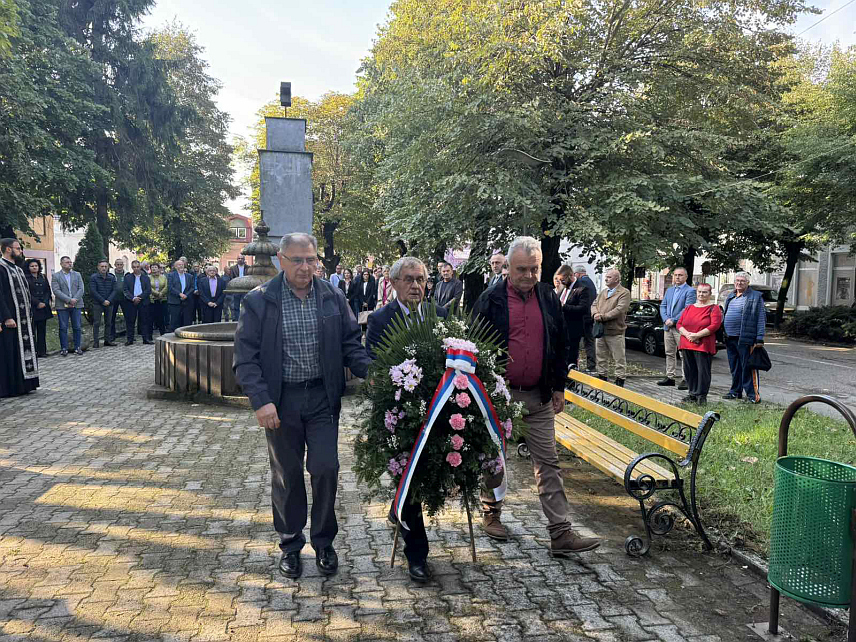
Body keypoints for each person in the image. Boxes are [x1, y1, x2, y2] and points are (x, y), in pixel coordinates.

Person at [233, 232, 371, 580]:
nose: (306, 267)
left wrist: (377, 373)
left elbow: (351, 344)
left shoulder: (332, 296)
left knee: (326, 468)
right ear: (281, 260)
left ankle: (324, 542)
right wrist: (261, 401)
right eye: (298, 260)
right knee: (288, 475)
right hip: (281, 403)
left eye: (311, 260)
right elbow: (245, 359)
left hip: (322, 398)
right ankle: (291, 544)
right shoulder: (259, 300)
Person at [472, 236, 600, 556]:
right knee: (494, 458)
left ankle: (560, 533)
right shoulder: (491, 299)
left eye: (535, 269)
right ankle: (491, 513)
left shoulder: (547, 296)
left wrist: (559, 386)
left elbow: (559, 342)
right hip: (501, 397)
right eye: (522, 270)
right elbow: (475, 347)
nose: (529, 276)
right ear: (508, 268)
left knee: (548, 463)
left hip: (539, 396)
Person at [366, 257, 448, 582]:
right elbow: (373, 365)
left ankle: (397, 510)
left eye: (421, 279)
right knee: (410, 478)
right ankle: (417, 555)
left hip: (436, 411)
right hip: (398, 415)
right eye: (409, 279)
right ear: (394, 283)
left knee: (422, 477)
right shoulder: (379, 319)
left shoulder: (438, 315)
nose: (416, 285)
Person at [1, 239, 39, 398]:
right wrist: (6, 317)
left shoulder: (18, 268)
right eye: (18, 248)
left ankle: (24, 384)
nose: (21, 251)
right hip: (10, 319)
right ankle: (10, 387)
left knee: (22, 351)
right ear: (8, 249)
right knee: (9, 352)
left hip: (23, 320)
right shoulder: (1, 268)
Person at [722, 272, 766, 403]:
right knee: (734, 367)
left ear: (747, 283)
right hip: (730, 338)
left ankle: (753, 396)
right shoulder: (731, 296)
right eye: (737, 280)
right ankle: (735, 391)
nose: (739, 283)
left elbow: (761, 318)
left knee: (748, 367)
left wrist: (759, 338)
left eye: (742, 281)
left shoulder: (755, 297)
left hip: (746, 338)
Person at [676, 283, 722, 404]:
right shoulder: (689, 308)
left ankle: (701, 396)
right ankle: (692, 394)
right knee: (689, 370)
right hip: (687, 343)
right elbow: (679, 324)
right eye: (699, 292)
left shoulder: (714, 308)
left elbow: (714, 325)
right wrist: (688, 335)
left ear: (710, 294)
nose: (701, 294)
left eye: (704, 292)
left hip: (703, 344)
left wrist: (697, 335)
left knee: (703, 371)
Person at [590, 268, 630, 387]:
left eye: (609, 277)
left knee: (618, 357)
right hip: (601, 330)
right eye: (606, 277)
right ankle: (602, 376)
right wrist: (595, 314)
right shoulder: (603, 292)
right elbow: (594, 304)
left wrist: (603, 316)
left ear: (617, 279)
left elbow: (620, 309)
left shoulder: (624, 292)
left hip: (615, 331)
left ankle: (620, 379)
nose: (606, 279)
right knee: (601, 356)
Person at [658, 267, 696, 389]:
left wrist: (673, 320)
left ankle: (686, 378)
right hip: (667, 327)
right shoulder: (669, 290)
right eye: (675, 275)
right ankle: (670, 377)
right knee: (669, 353)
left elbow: (687, 308)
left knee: (683, 354)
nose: (677, 277)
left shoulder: (690, 291)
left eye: (680, 275)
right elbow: (663, 306)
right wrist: (666, 319)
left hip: (681, 328)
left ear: (686, 277)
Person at [51, 255, 85, 356]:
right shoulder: (56, 276)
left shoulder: (77, 274)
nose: (70, 264)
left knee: (77, 326)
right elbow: (56, 290)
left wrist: (75, 300)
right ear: (61, 264)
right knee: (63, 327)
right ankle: (64, 348)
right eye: (67, 262)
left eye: (70, 262)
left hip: (76, 304)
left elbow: (81, 288)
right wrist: (69, 300)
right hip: (62, 305)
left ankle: (77, 347)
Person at [563, 267, 593, 370]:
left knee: (573, 353)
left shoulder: (582, 287)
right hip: (566, 326)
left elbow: (583, 307)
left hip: (576, 325)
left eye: (563, 279)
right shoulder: (567, 288)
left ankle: (572, 377)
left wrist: (564, 306)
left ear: (573, 275)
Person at [24, 259, 52, 357]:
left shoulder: (43, 277)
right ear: (28, 267)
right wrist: (37, 303)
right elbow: (26, 293)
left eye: (36, 265)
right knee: (32, 331)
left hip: (43, 308)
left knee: (42, 331)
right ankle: (34, 351)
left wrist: (44, 302)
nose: (34, 267)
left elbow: (47, 291)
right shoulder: (25, 278)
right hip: (33, 307)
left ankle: (42, 351)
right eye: (32, 266)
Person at [573, 265, 598, 372]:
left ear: (578, 274)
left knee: (575, 341)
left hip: (581, 316)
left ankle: (574, 364)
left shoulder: (581, 283)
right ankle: (591, 366)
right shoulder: (591, 283)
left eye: (575, 275)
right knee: (589, 341)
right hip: (590, 316)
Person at [89, 259, 118, 349]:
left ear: (108, 267)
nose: (104, 268)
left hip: (109, 303)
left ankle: (107, 340)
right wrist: (103, 301)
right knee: (97, 322)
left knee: (108, 322)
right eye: (102, 266)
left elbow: (115, 290)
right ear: (98, 267)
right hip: (98, 303)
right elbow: (93, 291)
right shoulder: (94, 277)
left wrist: (108, 300)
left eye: (105, 266)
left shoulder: (112, 277)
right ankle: (96, 342)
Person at [122, 260, 152, 345]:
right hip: (131, 302)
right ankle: (130, 339)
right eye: (134, 267)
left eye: (137, 267)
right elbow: (125, 290)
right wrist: (133, 298)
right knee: (130, 321)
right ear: (132, 268)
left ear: (140, 267)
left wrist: (139, 297)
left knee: (144, 320)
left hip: (143, 301)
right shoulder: (127, 277)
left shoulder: (146, 277)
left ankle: (145, 339)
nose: (136, 269)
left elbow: (148, 290)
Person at [167, 259, 196, 331]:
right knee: (175, 322)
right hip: (175, 302)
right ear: (175, 267)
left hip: (187, 302)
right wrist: (180, 294)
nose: (181, 266)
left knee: (187, 322)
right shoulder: (171, 275)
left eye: (182, 264)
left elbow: (192, 287)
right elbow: (170, 287)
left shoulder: (189, 276)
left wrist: (186, 295)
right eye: (179, 265)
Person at [109, 259, 125, 343]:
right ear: (115, 265)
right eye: (118, 264)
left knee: (128, 317)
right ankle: (112, 335)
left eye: (121, 264)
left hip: (124, 298)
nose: (119, 266)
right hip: (113, 298)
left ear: (123, 265)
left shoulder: (127, 274)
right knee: (112, 317)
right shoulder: (111, 274)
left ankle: (130, 335)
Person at [149, 263, 168, 335]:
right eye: (152, 267)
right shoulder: (148, 277)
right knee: (151, 318)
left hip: (162, 299)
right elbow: (148, 287)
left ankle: (162, 333)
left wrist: (161, 294)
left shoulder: (163, 277)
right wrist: (157, 294)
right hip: (152, 299)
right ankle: (149, 336)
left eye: (155, 267)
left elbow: (166, 287)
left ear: (158, 268)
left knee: (161, 318)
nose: (154, 269)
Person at [227, 256, 248, 321]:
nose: (240, 260)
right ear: (237, 260)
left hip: (245, 289)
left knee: (246, 306)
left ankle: (245, 320)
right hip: (236, 289)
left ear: (244, 260)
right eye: (239, 258)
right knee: (236, 306)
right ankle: (237, 320)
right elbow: (231, 278)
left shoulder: (249, 268)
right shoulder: (233, 268)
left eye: (242, 258)